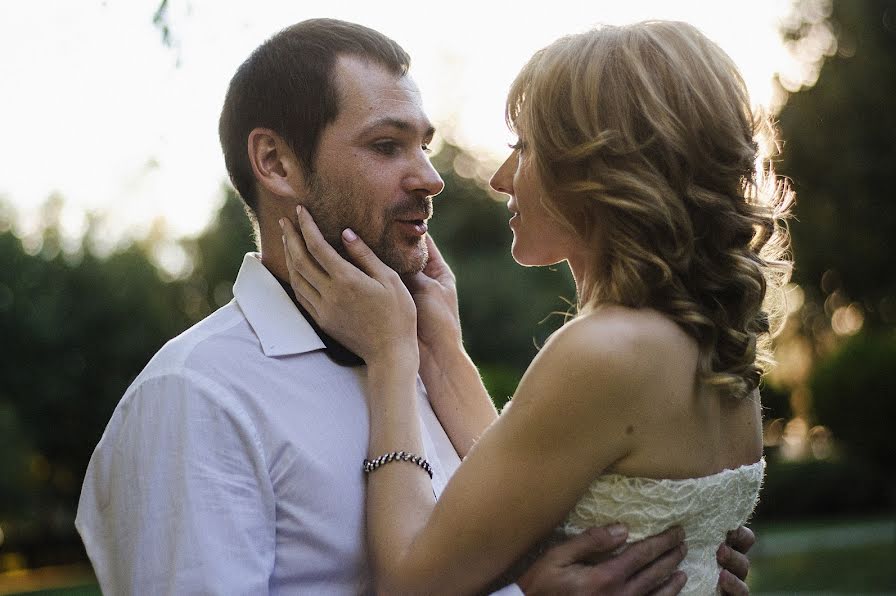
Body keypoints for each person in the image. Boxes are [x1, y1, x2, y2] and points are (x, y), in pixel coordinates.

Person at [75, 18, 754, 594]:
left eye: (423, 146)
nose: (432, 178)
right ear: (277, 164)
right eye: (386, 145)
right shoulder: (196, 396)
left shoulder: (426, 361)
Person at [281, 20, 792, 595]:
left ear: (599, 167)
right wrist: (442, 347)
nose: (501, 180)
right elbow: (531, 488)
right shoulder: (712, 350)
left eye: (523, 148)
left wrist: (391, 359)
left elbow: (408, 581)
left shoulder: (605, 351)